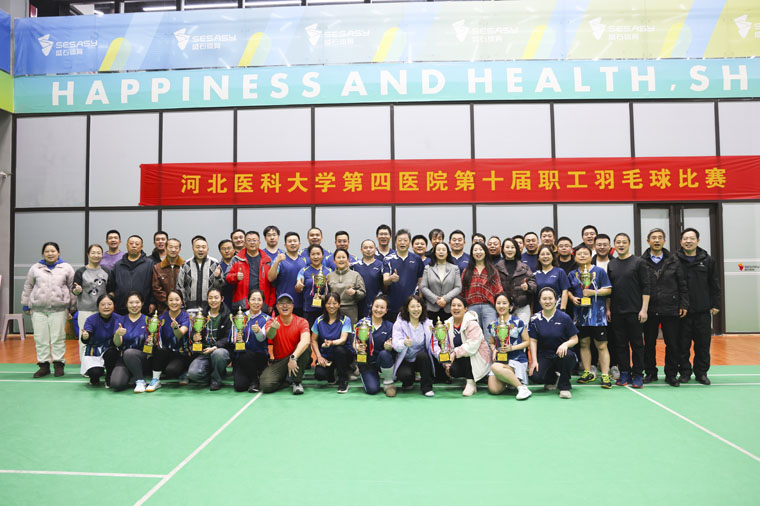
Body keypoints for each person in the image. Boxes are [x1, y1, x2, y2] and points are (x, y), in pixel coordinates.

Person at [642, 228, 689, 387]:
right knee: (649, 343)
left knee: (673, 344)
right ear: (648, 241)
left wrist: (683, 304)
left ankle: (671, 374)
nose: (657, 240)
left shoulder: (674, 260)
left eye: (660, 238)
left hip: (671, 308)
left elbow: (682, 284)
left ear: (664, 241)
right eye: (653, 238)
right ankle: (650, 372)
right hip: (650, 309)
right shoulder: (641, 261)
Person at [22, 241, 75, 378]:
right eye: (47, 251)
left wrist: (73, 307)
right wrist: (25, 304)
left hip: (59, 309)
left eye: (53, 251)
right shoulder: (35, 268)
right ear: (43, 253)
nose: (50, 254)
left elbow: (72, 288)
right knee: (41, 339)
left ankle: (59, 364)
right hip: (38, 309)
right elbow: (28, 286)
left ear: (58, 252)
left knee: (58, 338)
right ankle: (43, 366)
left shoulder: (66, 268)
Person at [676, 228, 720, 385]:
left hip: (702, 311)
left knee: (703, 345)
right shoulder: (674, 260)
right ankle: (685, 373)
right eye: (685, 239)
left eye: (692, 238)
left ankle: (701, 373)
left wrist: (716, 304)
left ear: (698, 241)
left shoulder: (708, 260)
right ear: (681, 241)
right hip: (682, 312)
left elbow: (714, 283)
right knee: (682, 345)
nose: (688, 241)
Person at [606, 233, 650, 388]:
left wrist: (644, 309)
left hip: (635, 311)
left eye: (624, 242)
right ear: (614, 245)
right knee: (620, 344)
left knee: (637, 344)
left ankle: (638, 374)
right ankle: (625, 372)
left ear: (629, 244)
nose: (621, 245)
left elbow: (646, 287)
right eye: (618, 242)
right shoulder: (611, 264)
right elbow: (610, 289)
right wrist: (608, 309)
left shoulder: (639, 262)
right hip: (617, 311)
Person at [568, 245, 613, 388]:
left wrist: (593, 293)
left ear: (590, 256)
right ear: (575, 257)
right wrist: (572, 298)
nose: (582, 256)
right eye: (579, 254)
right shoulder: (572, 274)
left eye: (585, 254)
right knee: (583, 343)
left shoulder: (599, 271)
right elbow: (567, 290)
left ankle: (605, 374)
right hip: (580, 316)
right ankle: (588, 372)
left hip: (597, 316)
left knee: (602, 345)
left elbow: (608, 289)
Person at [528, 287, 579, 399]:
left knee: (566, 356)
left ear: (556, 300)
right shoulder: (534, 319)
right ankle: (552, 378)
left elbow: (575, 339)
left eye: (550, 298)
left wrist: (565, 344)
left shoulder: (564, 317)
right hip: (545, 355)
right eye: (544, 299)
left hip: (562, 355)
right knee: (535, 376)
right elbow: (533, 341)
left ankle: (564, 386)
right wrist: (534, 361)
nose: (547, 301)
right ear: (539, 301)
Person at [260, 293, 312, 395]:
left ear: (292, 306)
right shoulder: (271, 321)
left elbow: (306, 340)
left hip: (296, 357)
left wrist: (293, 357)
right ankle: (287, 380)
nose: (285, 306)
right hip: (280, 361)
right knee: (265, 385)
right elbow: (270, 335)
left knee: (306, 348)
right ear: (277, 306)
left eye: (288, 303)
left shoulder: (302, 321)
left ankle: (296, 382)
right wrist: (273, 328)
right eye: (281, 303)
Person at [441, 296, 492, 396]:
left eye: (459, 305)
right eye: (453, 305)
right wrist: (447, 363)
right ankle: (468, 379)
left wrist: (455, 353)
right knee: (453, 370)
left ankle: (471, 383)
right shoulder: (447, 324)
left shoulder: (472, 323)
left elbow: (472, 346)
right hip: (460, 356)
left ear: (465, 309)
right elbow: (446, 345)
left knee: (468, 353)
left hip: (477, 357)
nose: (456, 308)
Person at [487, 293, 532, 400]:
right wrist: (494, 350)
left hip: (517, 359)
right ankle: (511, 380)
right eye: (498, 303)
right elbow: (492, 342)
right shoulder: (493, 325)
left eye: (504, 303)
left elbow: (527, 342)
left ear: (510, 306)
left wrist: (512, 348)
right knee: (494, 390)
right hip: (501, 360)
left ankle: (522, 388)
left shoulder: (518, 322)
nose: (501, 306)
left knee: (494, 367)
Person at [186, 288, 233, 391]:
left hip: (220, 350)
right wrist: (194, 337)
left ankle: (216, 380)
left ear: (222, 299)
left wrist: (216, 346)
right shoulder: (201, 315)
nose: (213, 300)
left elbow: (228, 337)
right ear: (207, 299)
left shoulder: (228, 316)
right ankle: (213, 375)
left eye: (216, 298)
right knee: (193, 374)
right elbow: (194, 331)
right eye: (210, 298)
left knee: (218, 354)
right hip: (204, 351)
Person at [391, 295, 438, 397]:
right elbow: (395, 344)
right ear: (407, 308)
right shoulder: (399, 324)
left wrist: (442, 355)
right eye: (412, 306)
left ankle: (427, 387)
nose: (416, 309)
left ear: (422, 307)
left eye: (418, 306)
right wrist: (404, 343)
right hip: (406, 359)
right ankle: (408, 381)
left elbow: (434, 344)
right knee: (405, 375)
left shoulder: (428, 324)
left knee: (423, 356)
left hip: (422, 360)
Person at [146, 290, 190, 392]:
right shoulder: (161, 318)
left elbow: (180, 334)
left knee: (172, 370)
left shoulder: (186, 317)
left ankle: (184, 371)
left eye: (177, 300)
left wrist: (175, 328)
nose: (174, 302)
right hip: (167, 353)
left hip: (181, 354)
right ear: (167, 302)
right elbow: (158, 338)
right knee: (159, 351)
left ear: (181, 302)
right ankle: (155, 380)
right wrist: (152, 339)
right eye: (171, 300)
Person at [311, 292, 355, 393]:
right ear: (325, 305)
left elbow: (343, 340)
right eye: (328, 303)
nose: (331, 306)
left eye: (334, 303)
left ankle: (343, 381)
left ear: (339, 305)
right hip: (327, 356)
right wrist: (319, 357)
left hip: (344, 354)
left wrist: (331, 343)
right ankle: (331, 373)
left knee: (338, 350)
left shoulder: (345, 320)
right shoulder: (318, 320)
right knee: (319, 375)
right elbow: (313, 340)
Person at [73, 244, 110, 365]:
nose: (96, 255)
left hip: (103, 311)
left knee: (102, 338)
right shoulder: (81, 271)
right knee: (85, 338)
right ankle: (85, 367)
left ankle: (101, 365)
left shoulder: (106, 271)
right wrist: (77, 290)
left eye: (99, 253)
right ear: (88, 254)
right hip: (85, 310)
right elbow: (74, 290)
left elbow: (110, 291)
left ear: (102, 255)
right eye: (93, 253)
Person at [354, 296, 395, 396]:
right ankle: (369, 375)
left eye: (382, 308)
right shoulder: (363, 323)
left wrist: (388, 346)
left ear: (386, 310)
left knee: (385, 354)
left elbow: (391, 346)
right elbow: (355, 342)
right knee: (372, 390)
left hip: (381, 361)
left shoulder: (389, 326)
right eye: (376, 306)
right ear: (372, 307)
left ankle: (388, 382)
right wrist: (358, 347)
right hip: (367, 362)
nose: (378, 310)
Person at [110, 292, 150, 393]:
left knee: (130, 353)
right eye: (131, 303)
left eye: (137, 302)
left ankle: (140, 380)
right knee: (116, 383)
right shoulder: (120, 320)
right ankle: (132, 374)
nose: (134, 305)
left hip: (143, 358)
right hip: (124, 358)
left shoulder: (149, 321)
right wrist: (117, 334)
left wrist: (150, 342)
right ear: (126, 304)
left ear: (142, 303)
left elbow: (152, 346)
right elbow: (117, 344)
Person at [461, 242, 503, 339]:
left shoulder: (492, 270)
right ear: (472, 253)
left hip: (489, 308)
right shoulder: (467, 271)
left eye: (481, 249)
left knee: (490, 336)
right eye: (475, 250)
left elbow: (498, 290)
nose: (478, 252)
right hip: (471, 308)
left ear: (485, 252)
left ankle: (490, 350)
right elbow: (462, 291)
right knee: (474, 338)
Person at [231, 290, 271, 393]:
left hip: (259, 356)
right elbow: (232, 339)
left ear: (263, 302)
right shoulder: (239, 317)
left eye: (259, 300)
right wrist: (237, 339)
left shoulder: (267, 318)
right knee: (239, 387)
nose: (256, 302)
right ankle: (253, 377)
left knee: (247, 354)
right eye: (253, 299)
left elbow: (262, 338)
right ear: (248, 301)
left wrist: (258, 332)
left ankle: (254, 379)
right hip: (242, 357)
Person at [106, 235, 156, 316]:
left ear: (141, 246)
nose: (134, 246)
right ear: (127, 245)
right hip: (121, 308)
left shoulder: (149, 264)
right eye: (131, 243)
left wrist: (153, 302)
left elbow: (154, 285)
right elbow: (111, 287)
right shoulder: (118, 265)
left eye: (137, 244)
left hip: (143, 308)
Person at [226, 231, 274, 311]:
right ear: (245, 243)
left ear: (259, 242)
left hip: (262, 304)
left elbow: (273, 284)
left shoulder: (267, 260)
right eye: (249, 240)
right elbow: (227, 277)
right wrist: (235, 277)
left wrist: (270, 303)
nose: (252, 242)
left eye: (254, 240)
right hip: (241, 305)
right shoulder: (237, 259)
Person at [383, 229, 424, 322]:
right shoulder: (388, 259)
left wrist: (420, 301)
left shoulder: (417, 259)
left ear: (409, 243)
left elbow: (421, 281)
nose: (402, 242)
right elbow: (385, 281)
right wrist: (391, 278)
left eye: (405, 240)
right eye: (400, 240)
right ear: (395, 242)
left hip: (412, 305)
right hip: (393, 305)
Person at [80, 294, 120, 386]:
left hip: (110, 350)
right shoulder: (91, 319)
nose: (106, 307)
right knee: (95, 373)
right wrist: (85, 336)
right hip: (94, 350)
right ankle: (95, 376)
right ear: (98, 306)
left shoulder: (119, 318)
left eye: (109, 304)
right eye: (103, 304)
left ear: (114, 305)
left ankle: (109, 376)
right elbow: (86, 339)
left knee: (112, 352)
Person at [177, 235, 225, 312]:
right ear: (193, 249)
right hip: (190, 307)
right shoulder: (185, 266)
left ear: (207, 249)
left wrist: (217, 277)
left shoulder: (214, 265)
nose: (200, 249)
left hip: (210, 307)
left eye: (203, 247)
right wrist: (183, 305)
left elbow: (220, 288)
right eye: (197, 247)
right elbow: (180, 286)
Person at [495, 238, 536, 325]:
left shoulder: (524, 267)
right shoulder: (497, 267)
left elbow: (533, 283)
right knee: (505, 331)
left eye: (512, 247)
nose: (510, 250)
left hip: (522, 306)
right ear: (503, 249)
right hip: (504, 307)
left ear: (516, 249)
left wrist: (528, 286)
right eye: (507, 247)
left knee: (523, 331)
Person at [420, 242, 462, 324]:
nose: (441, 252)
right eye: (438, 250)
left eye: (443, 250)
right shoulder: (428, 268)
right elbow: (423, 287)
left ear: (448, 253)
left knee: (449, 331)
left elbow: (458, 287)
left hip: (449, 308)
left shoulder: (454, 268)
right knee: (432, 331)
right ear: (435, 253)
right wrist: (436, 299)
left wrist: (445, 299)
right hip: (431, 308)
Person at [268, 231, 308, 316]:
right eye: (289, 241)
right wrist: (277, 262)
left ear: (299, 244)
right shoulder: (280, 259)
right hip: (283, 304)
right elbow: (271, 278)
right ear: (285, 245)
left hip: (301, 304)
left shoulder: (305, 260)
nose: (292, 243)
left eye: (295, 241)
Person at [295, 244, 333, 326]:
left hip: (326, 310)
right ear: (309, 256)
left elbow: (332, 289)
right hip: (308, 310)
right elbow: (298, 288)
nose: (316, 257)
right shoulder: (304, 270)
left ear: (322, 255)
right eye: (313, 254)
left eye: (318, 254)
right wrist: (298, 286)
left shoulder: (329, 271)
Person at [326, 248, 366, 325]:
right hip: (333, 310)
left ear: (347, 259)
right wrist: (319, 297)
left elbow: (363, 294)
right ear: (334, 261)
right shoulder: (329, 276)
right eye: (338, 257)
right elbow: (326, 294)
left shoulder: (355, 275)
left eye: (343, 257)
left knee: (350, 332)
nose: (341, 260)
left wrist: (355, 292)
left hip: (350, 310)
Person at [351, 239, 385, 320]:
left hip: (376, 306)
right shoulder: (354, 266)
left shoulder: (381, 265)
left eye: (371, 247)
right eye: (365, 248)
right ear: (361, 250)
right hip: (358, 305)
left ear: (375, 249)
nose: (368, 250)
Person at [533, 245, 570, 313]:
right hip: (539, 311)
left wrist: (563, 309)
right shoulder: (534, 274)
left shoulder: (559, 272)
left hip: (557, 310)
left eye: (548, 254)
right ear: (538, 258)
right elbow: (532, 296)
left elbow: (565, 291)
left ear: (553, 257)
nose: (545, 256)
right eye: (542, 254)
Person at [151, 237, 184, 313]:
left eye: (176, 248)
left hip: (182, 307)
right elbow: (156, 288)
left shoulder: (185, 266)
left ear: (179, 249)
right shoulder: (158, 267)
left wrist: (178, 301)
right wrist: (169, 301)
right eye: (170, 247)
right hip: (163, 308)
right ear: (165, 248)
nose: (173, 250)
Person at [217, 239, 236, 311]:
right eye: (223, 249)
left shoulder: (239, 264)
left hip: (238, 299)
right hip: (223, 301)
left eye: (229, 248)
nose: (227, 251)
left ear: (234, 250)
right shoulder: (217, 266)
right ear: (220, 251)